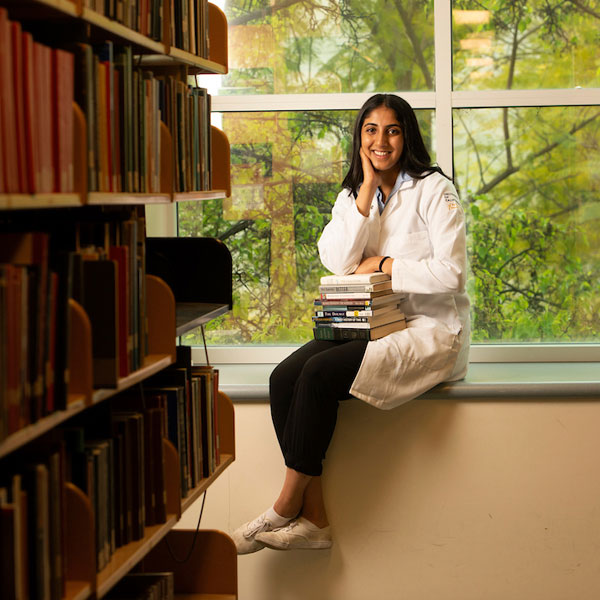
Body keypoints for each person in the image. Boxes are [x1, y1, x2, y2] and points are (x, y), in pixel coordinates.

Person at [232, 93, 470, 554]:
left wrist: (381, 263)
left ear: (407, 137)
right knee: (283, 377)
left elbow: (452, 274)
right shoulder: (352, 195)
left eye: (393, 130)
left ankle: (285, 505)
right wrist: (364, 191)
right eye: (371, 130)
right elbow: (338, 262)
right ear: (359, 138)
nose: (381, 140)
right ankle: (315, 519)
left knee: (319, 375)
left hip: (428, 329)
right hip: (371, 321)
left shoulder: (434, 189)